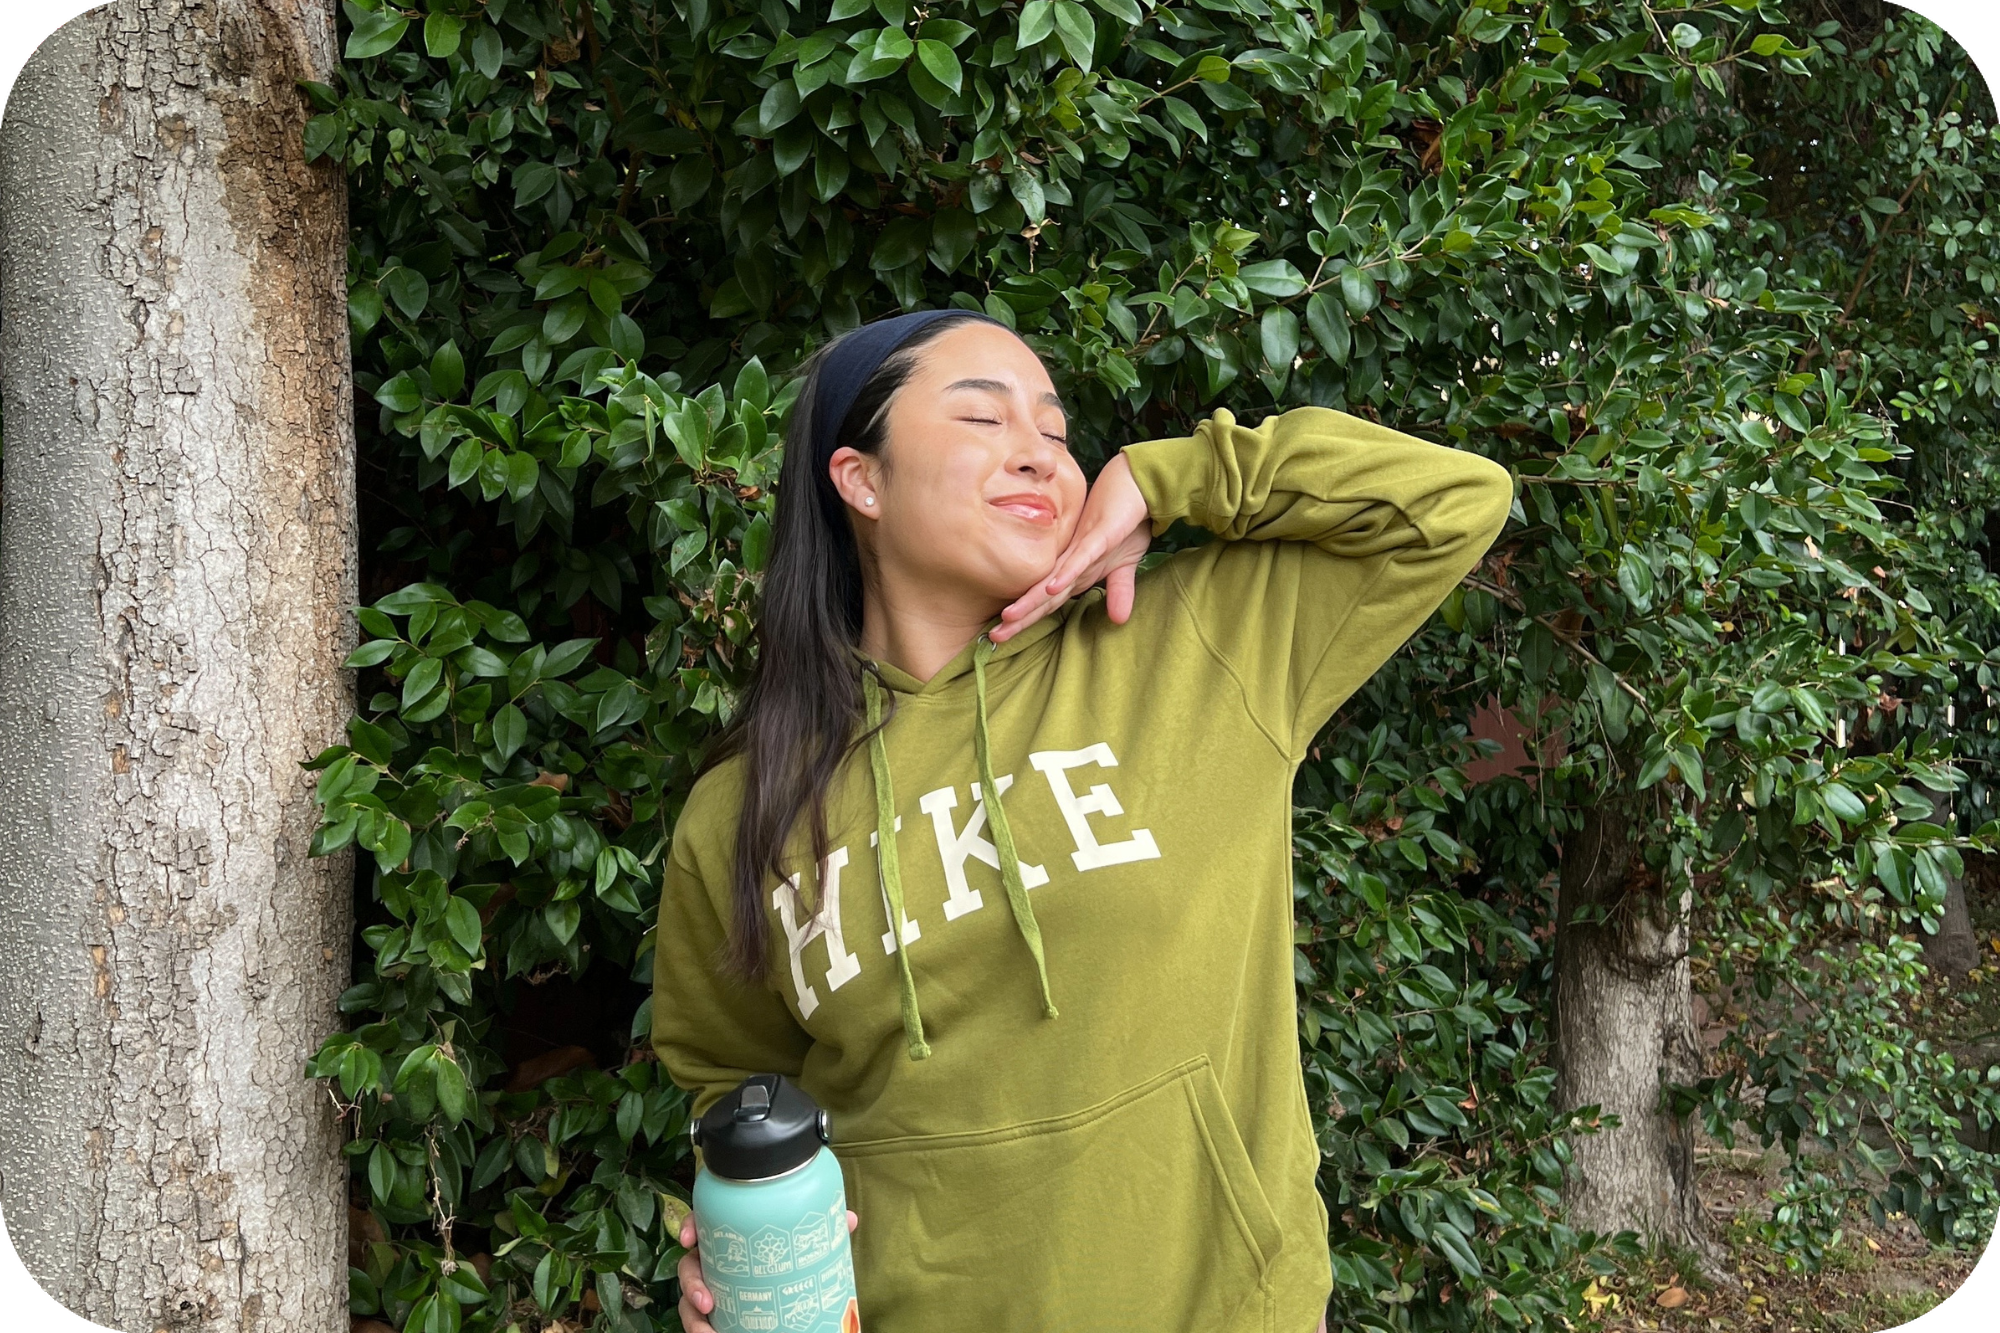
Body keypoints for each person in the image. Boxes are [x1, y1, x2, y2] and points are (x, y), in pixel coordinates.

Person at [649, 307, 1513, 1332]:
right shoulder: (743, 809)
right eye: (982, 419)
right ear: (860, 480)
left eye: (1057, 434)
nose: (1039, 456)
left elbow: (1456, 501)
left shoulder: (1195, 642)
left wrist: (1173, 478)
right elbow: (733, 1085)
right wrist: (728, 1261)